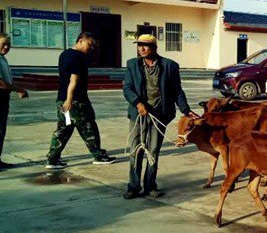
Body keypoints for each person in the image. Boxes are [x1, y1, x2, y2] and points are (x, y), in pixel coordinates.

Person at [122, 34, 197, 199]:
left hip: (159, 115)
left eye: (145, 45)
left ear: (154, 48)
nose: (141, 48)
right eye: (139, 45)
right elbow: (127, 88)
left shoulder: (169, 66)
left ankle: (150, 186)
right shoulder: (132, 65)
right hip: (139, 114)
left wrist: (185, 109)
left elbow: (177, 91)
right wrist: (138, 103)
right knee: (136, 151)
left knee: (153, 151)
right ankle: (133, 186)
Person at [45, 32, 115, 170]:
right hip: (76, 101)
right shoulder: (78, 57)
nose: (91, 48)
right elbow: (73, 79)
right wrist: (70, 99)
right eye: (90, 44)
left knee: (63, 129)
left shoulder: (64, 54)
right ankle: (98, 156)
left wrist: (65, 100)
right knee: (88, 127)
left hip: (61, 99)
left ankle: (52, 160)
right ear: (81, 40)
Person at [0, 33, 29, 169]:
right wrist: (19, 90)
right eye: (3, 44)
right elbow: (1, 83)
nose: (6, 47)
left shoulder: (2, 59)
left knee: (1, 130)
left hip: (3, 98)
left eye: (8, 45)